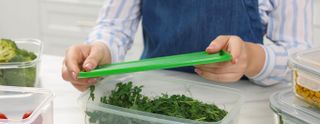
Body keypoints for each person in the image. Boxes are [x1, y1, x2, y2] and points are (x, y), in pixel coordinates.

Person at [62, 0, 313, 91]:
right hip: (150, 96)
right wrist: (101, 50)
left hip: (239, 108)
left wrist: (252, 58)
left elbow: (299, 58)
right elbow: (114, 25)